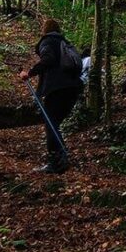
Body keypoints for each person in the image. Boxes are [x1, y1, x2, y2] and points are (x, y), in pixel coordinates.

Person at [19, 19, 82, 173]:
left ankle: (56, 162)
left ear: (44, 29)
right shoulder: (64, 42)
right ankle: (61, 158)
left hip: (57, 89)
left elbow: (48, 60)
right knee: (54, 123)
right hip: (73, 88)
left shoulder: (47, 41)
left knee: (51, 124)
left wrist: (29, 73)